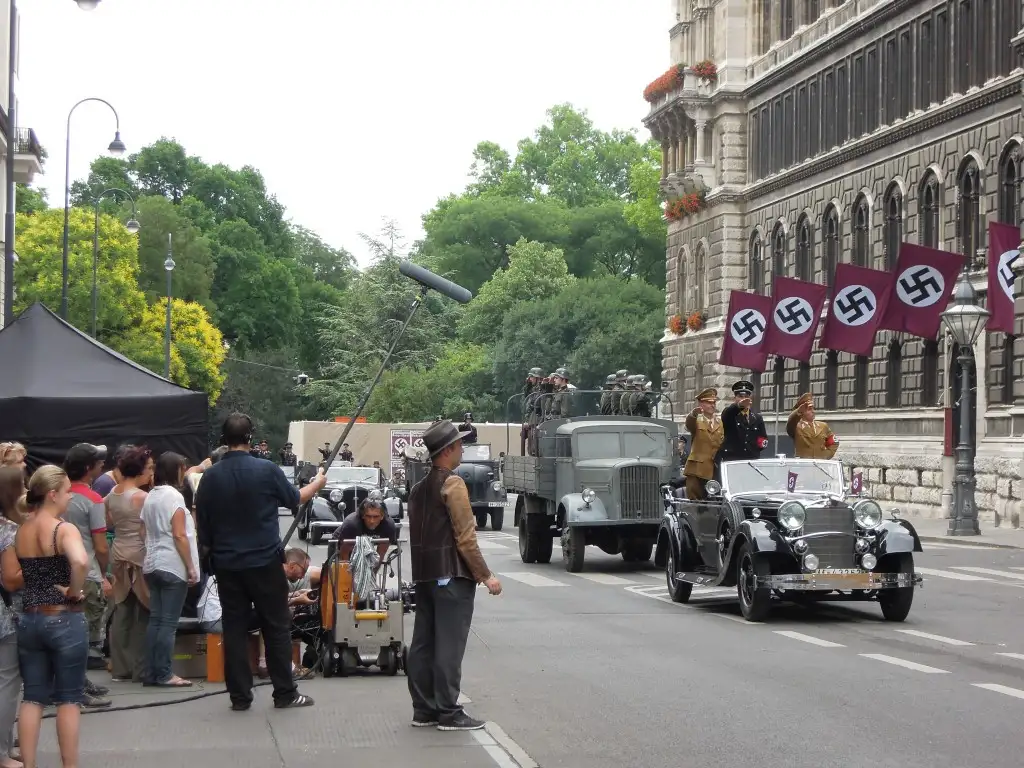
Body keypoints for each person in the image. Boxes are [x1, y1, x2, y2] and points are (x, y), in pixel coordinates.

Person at [195, 412, 326, 711]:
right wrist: (318, 483)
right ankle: (285, 693)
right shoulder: (266, 470)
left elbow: (202, 521)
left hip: (227, 564)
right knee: (276, 627)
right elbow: (295, 498)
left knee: (235, 628)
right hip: (265, 562)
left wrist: (210, 556)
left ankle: (240, 696)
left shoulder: (211, 477)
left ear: (224, 439)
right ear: (250, 438)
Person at [406, 420, 502, 732]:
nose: (462, 450)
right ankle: (448, 711)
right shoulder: (453, 483)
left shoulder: (418, 489)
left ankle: (423, 709)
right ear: (448, 450)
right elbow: (465, 538)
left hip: (425, 575)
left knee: (423, 643)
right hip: (451, 576)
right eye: (460, 445)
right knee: (449, 644)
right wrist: (486, 575)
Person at [14, 466, 91, 768]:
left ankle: (29, 764)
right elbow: (80, 561)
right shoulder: (63, 529)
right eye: (68, 491)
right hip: (63, 617)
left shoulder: (22, 529)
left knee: (32, 697)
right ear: (52, 494)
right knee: (69, 698)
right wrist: (74, 590)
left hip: (29, 618)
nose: (71, 496)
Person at [140, 452, 198, 688]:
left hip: (152, 563)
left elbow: (142, 530)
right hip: (172, 565)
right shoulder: (174, 497)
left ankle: (150, 672)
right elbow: (179, 534)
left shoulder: (151, 496)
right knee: (168, 623)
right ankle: (164, 673)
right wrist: (191, 566)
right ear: (177, 470)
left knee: (155, 620)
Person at [61, 444, 111, 707]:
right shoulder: (93, 500)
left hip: (60, 572)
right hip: (87, 572)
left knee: (65, 632)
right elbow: (101, 546)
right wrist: (105, 572)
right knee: (82, 635)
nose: (102, 465)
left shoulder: (58, 495)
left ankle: (76, 681)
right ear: (89, 468)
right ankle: (76, 685)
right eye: (98, 462)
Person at [106, 447, 154, 683]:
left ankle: (120, 667)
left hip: (118, 553)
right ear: (139, 470)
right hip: (139, 555)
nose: (151, 472)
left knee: (122, 610)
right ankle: (141, 667)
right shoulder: (142, 497)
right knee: (145, 610)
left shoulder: (112, 494)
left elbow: (108, 523)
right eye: (149, 468)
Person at [0, 467, 24, 768]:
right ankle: (2, 752)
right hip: (4, 615)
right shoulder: (8, 530)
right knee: (7, 681)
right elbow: (11, 580)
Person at [716, 380, 769, 472]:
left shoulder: (757, 417)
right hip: (733, 461)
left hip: (751, 461)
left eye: (746, 396)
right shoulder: (730, 414)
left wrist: (754, 449)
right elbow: (728, 413)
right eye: (740, 396)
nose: (744, 399)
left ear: (750, 399)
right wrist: (739, 406)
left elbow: (763, 439)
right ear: (735, 398)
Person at [683, 388, 724, 500]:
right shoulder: (696, 420)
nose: (712, 405)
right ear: (701, 404)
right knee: (695, 501)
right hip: (697, 469)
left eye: (714, 402)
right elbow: (689, 424)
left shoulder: (719, 422)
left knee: (714, 502)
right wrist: (693, 414)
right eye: (709, 402)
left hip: (715, 470)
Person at [333, 498, 399, 561]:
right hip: (343, 540)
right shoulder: (351, 524)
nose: (372, 521)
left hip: (365, 543)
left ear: (382, 516)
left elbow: (380, 554)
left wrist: (373, 569)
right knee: (335, 567)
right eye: (368, 516)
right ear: (363, 515)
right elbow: (344, 556)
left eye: (376, 517)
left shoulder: (388, 525)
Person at [787, 392, 839, 459]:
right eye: (809, 409)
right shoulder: (796, 427)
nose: (813, 411)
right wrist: (798, 411)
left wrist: (826, 455)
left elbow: (833, 442)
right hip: (804, 464)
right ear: (802, 412)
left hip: (819, 464)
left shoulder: (823, 426)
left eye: (813, 408)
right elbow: (791, 422)